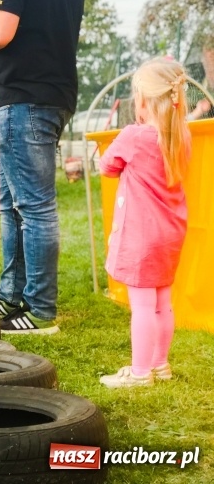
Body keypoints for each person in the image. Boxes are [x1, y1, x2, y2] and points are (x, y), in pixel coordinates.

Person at [0, 0, 86, 334]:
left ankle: (39, 310)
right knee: (11, 205)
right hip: (56, 92)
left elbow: (0, 33)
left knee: (34, 207)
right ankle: (12, 297)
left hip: (21, 96)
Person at [98, 58, 191, 388]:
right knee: (162, 302)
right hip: (170, 235)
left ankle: (139, 374)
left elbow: (107, 166)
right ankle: (160, 365)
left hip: (140, 237)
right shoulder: (181, 136)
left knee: (142, 307)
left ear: (143, 100)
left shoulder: (133, 136)